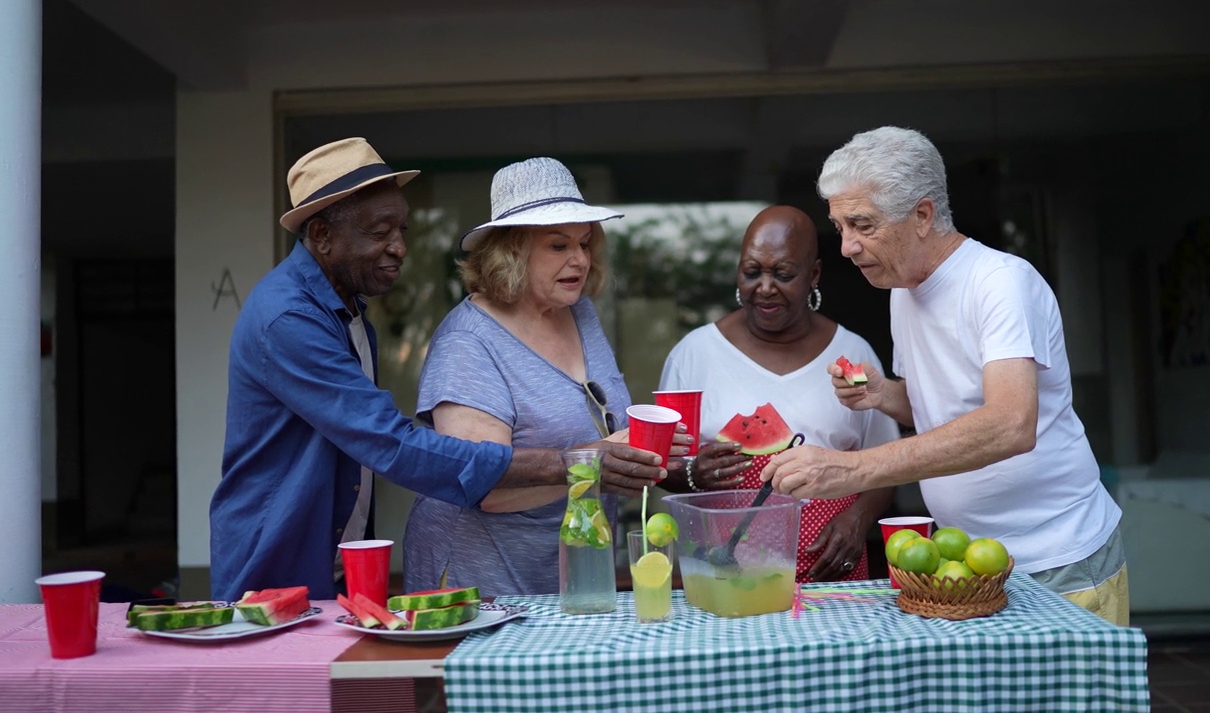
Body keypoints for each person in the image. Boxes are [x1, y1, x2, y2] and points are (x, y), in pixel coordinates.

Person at [211, 140, 664, 601]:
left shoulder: (346, 310)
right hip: (281, 556)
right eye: (380, 231)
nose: (400, 247)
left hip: (339, 554)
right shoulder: (290, 318)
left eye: (402, 228)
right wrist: (577, 463)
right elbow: (390, 444)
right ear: (323, 236)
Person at [760, 126, 1128, 624]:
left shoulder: (1000, 283)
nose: (846, 246)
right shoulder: (902, 289)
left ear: (922, 215)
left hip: (1056, 558)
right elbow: (941, 406)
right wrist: (883, 394)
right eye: (841, 226)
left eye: (862, 225)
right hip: (965, 562)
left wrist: (852, 469)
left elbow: (1010, 424)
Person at [403, 157, 688, 596]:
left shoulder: (580, 313)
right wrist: (601, 458)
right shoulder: (467, 343)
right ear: (510, 251)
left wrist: (661, 461)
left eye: (585, 243)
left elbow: (607, 440)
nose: (580, 259)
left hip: (567, 570)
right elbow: (485, 489)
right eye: (558, 246)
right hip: (480, 579)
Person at [658, 205, 900, 583]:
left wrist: (857, 521)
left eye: (783, 274)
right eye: (752, 272)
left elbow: (885, 466)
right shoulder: (694, 354)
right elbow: (660, 467)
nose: (765, 287)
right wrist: (692, 471)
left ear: (814, 274)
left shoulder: (853, 354)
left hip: (831, 573)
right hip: (724, 574)